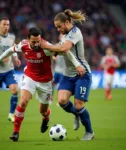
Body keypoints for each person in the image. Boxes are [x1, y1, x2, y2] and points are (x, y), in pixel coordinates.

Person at [0, 27, 78, 142]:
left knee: (43, 110)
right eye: (34, 42)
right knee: (23, 101)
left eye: (38, 41)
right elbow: (10, 50)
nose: (36, 44)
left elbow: (65, 51)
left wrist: (77, 65)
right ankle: (16, 132)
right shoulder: (23, 45)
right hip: (29, 77)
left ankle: (46, 117)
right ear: (28, 39)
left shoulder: (46, 47)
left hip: (45, 82)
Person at [41, 9, 94, 140]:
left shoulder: (75, 32)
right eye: (56, 27)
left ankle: (89, 132)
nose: (58, 29)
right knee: (62, 100)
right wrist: (54, 50)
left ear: (67, 22)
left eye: (59, 26)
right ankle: (76, 114)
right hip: (68, 75)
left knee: (78, 104)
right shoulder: (65, 35)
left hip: (82, 73)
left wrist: (49, 47)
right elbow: (61, 48)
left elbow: (65, 48)